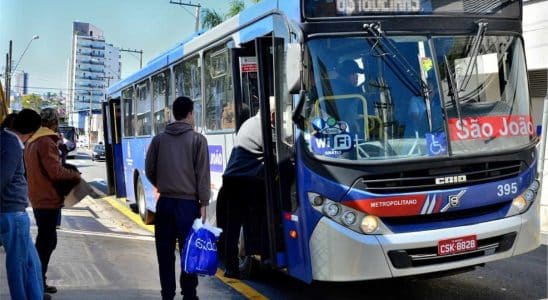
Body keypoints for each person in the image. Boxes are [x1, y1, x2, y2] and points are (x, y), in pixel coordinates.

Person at [145, 96, 210, 300]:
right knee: (188, 252)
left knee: (164, 254)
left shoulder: (158, 139)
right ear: (190, 114)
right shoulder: (198, 140)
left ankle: (167, 295)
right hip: (188, 206)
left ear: (174, 113)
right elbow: (202, 175)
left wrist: (163, 184)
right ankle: (189, 294)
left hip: (164, 203)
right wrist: (204, 203)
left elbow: (149, 169)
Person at [24, 107, 81, 295]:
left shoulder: (32, 141)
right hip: (48, 199)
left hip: (38, 197)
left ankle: (39, 280)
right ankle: (37, 282)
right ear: (54, 123)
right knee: (46, 243)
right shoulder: (46, 142)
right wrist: (74, 176)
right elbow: (55, 172)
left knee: (46, 240)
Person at [216, 99, 275, 279]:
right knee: (263, 213)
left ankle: (231, 268)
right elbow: (279, 152)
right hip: (244, 181)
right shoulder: (263, 127)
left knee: (232, 227)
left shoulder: (249, 123)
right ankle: (265, 253)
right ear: (273, 115)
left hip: (231, 180)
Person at [1, 109, 50, 300]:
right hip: (12, 213)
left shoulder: (6, 140)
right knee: (19, 267)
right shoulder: (12, 144)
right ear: (31, 132)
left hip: (15, 212)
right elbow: (3, 177)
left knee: (32, 264)